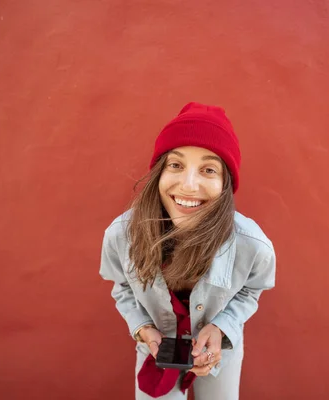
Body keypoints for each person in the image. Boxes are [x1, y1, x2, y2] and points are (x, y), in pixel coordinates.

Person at [99, 102, 276, 399]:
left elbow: (251, 290)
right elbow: (122, 287)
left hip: (221, 349)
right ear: (159, 172)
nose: (189, 185)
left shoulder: (252, 245)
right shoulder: (121, 236)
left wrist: (222, 327)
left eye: (208, 169)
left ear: (225, 183)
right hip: (155, 346)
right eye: (176, 165)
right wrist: (142, 328)